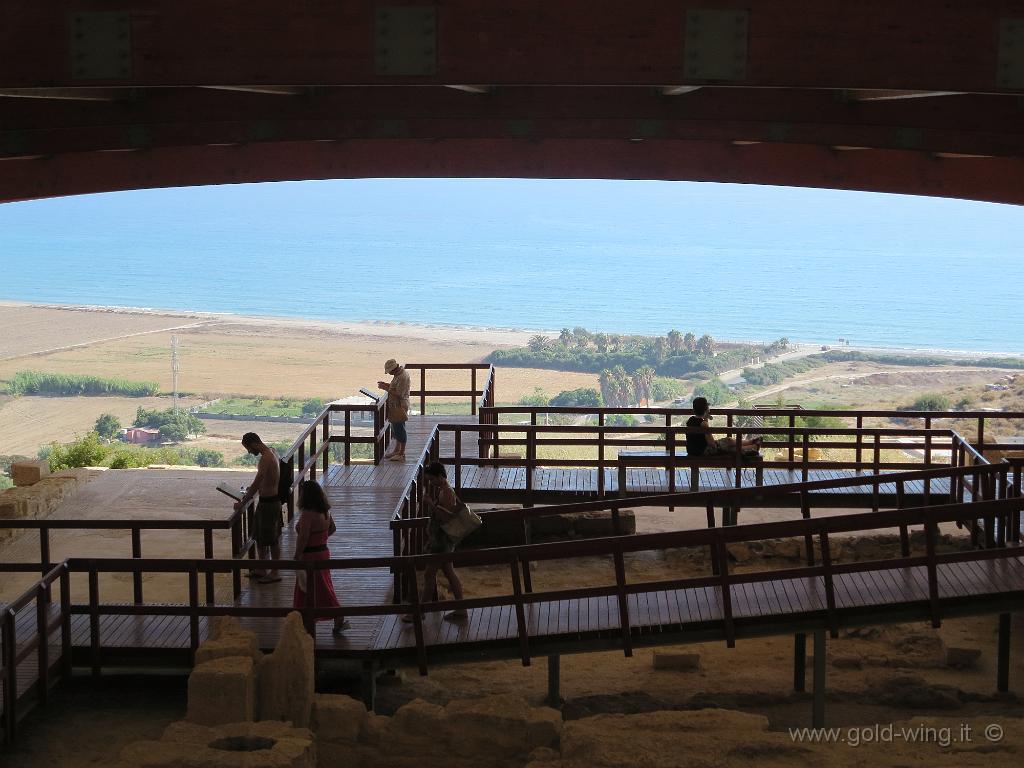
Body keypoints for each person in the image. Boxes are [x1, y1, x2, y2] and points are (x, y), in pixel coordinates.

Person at [402, 461, 467, 622]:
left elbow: (445, 517)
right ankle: (461, 608)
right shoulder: (445, 490)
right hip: (442, 540)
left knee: (429, 574)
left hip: (441, 542)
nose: (431, 483)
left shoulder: (446, 493)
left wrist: (431, 503)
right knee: (448, 573)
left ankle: (420, 611)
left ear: (439, 476)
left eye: (432, 479)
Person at [292, 480, 348, 634]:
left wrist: (297, 554)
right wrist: (321, 540)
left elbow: (303, 538)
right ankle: (329, 616)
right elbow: (332, 528)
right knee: (323, 585)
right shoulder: (325, 512)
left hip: (310, 555)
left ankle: (332, 615)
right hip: (323, 551)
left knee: (310, 588)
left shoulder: (307, 514)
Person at [234, 432, 283, 583]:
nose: (249, 452)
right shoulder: (272, 452)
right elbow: (266, 479)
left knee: (272, 539)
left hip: (269, 502)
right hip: (268, 501)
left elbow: (259, 479)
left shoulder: (266, 458)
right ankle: (262, 568)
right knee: (260, 538)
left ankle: (274, 572)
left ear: (254, 444)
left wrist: (244, 501)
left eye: (248, 448)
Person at [685, 397, 762, 456]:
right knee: (729, 446)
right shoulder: (704, 424)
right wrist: (719, 444)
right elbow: (711, 443)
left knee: (728, 441)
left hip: (692, 450)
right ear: (706, 409)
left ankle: (751, 443)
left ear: (694, 409)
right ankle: (752, 446)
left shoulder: (690, 420)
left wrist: (705, 418)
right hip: (703, 451)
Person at [377, 358, 411, 461]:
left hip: (399, 405)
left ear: (393, 369)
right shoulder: (399, 374)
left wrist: (385, 388)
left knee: (400, 429)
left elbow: (399, 393)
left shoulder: (402, 377)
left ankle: (401, 454)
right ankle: (397, 450)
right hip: (396, 405)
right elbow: (395, 387)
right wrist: (387, 385)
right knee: (396, 429)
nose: (389, 373)